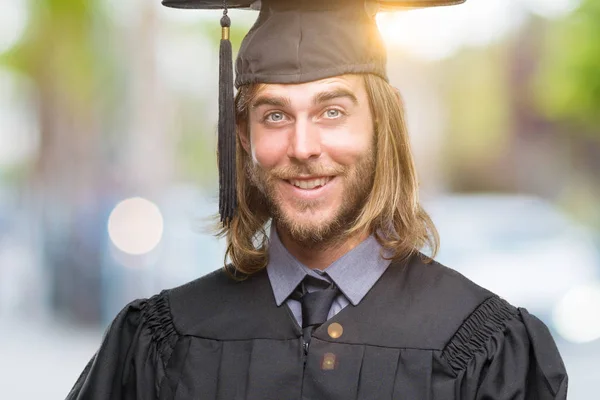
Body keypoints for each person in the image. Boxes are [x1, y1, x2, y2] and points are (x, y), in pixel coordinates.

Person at [67, 0, 568, 399]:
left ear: (384, 123)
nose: (303, 147)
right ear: (243, 136)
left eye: (332, 111)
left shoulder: (483, 346)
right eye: (276, 116)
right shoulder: (163, 341)